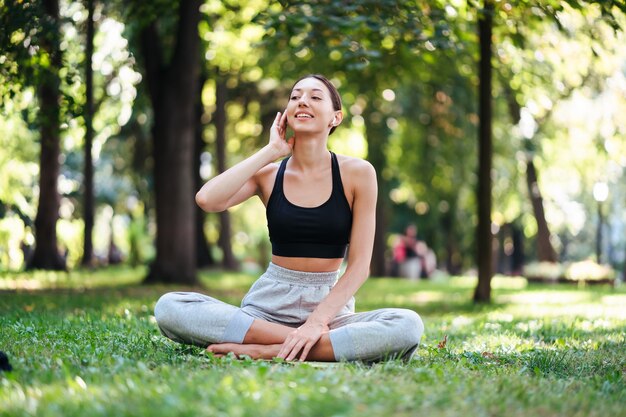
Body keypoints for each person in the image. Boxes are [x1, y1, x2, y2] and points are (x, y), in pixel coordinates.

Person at [154, 74, 424, 362]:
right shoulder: (269, 175)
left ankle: (265, 351)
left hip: (329, 313)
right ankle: (314, 348)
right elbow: (207, 199)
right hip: (265, 311)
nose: (302, 101)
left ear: (336, 117)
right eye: (295, 96)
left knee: (408, 325)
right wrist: (271, 152)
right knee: (170, 307)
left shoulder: (358, 173)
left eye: (315, 97)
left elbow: (358, 268)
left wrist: (317, 323)